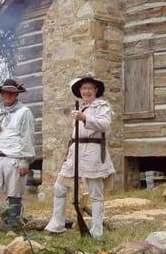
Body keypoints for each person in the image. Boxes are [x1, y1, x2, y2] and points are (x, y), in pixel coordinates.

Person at [45, 76, 115, 239]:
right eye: (84, 88)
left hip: (93, 151)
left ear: (96, 91)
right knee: (60, 187)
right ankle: (57, 224)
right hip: (75, 151)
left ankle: (97, 231)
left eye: (90, 88)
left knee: (95, 192)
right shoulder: (81, 108)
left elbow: (105, 125)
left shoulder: (102, 106)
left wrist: (84, 119)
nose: (86, 91)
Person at [0, 79, 35, 234]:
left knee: (14, 193)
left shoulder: (24, 112)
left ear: (16, 94)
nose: (8, 95)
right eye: (5, 92)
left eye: (11, 93)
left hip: (15, 158)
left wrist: (24, 161)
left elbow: (27, 137)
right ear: (2, 94)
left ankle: (12, 227)